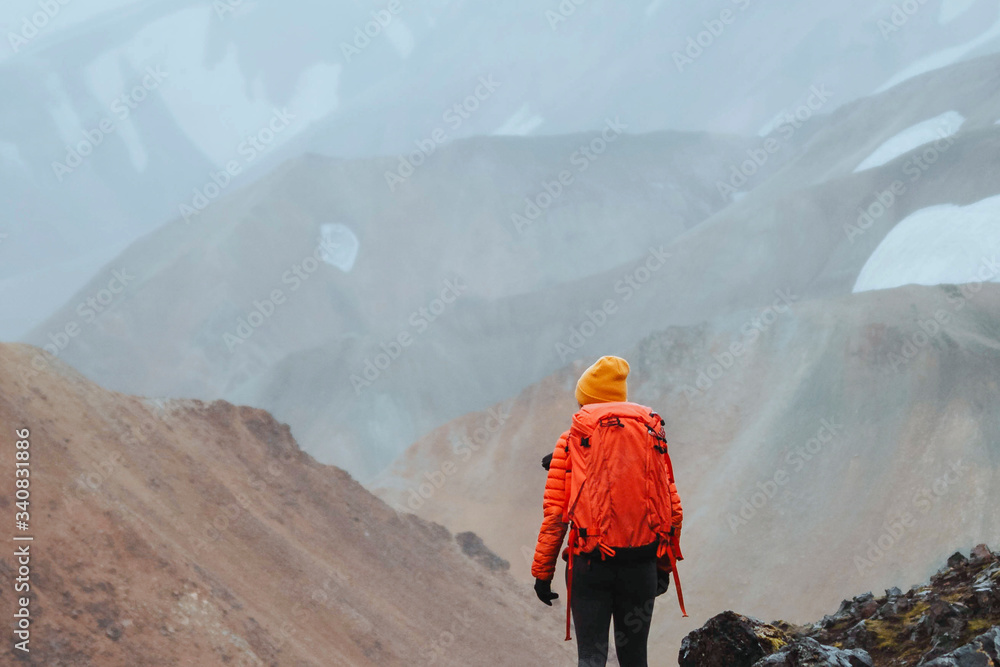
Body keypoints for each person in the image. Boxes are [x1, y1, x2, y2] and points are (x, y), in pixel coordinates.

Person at [531, 355, 684, 667]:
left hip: (590, 566)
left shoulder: (571, 440)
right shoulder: (651, 435)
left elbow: (555, 517)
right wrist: (663, 567)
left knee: (591, 657)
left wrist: (542, 574)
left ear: (586, 400)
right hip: (641, 565)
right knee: (635, 658)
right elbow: (673, 510)